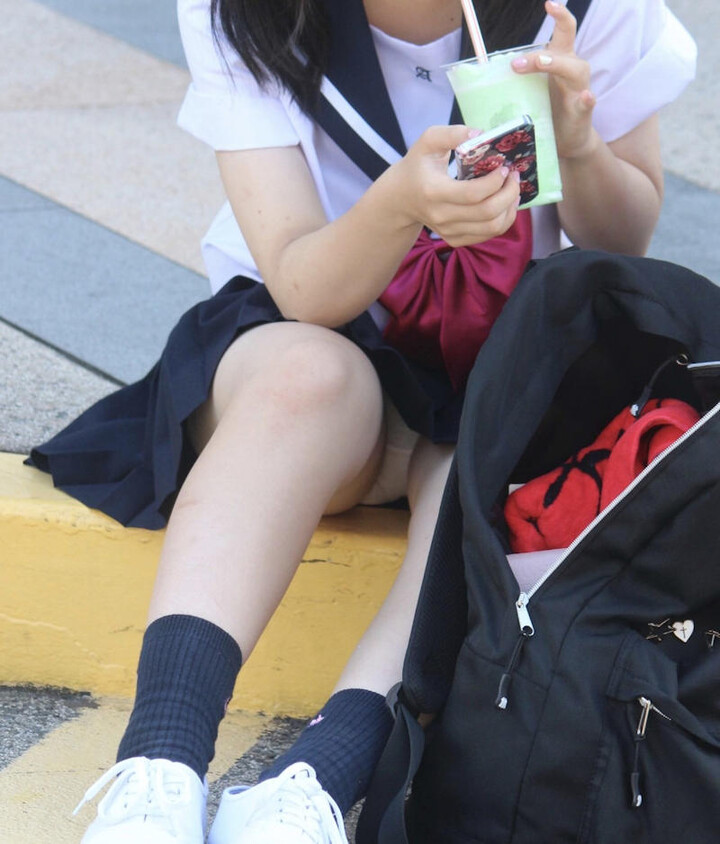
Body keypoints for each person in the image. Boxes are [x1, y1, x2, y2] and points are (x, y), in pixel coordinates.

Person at [31, 0, 695, 842]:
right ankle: (158, 765)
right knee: (310, 378)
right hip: (308, 343)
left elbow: (625, 239)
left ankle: (311, 784)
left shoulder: (587, 9)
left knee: (477, 472)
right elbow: (301, 284)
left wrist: (581, 142)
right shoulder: (249, 11)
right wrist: (400, 206)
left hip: (494, 371)